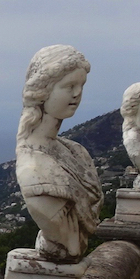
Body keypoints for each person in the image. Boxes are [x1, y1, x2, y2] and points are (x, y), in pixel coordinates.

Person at [15, 45, 103, 261]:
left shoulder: (77, 152)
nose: (77, 94)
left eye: (81, 85)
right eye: (69, 86)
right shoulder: (33, 168)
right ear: (42, 90)